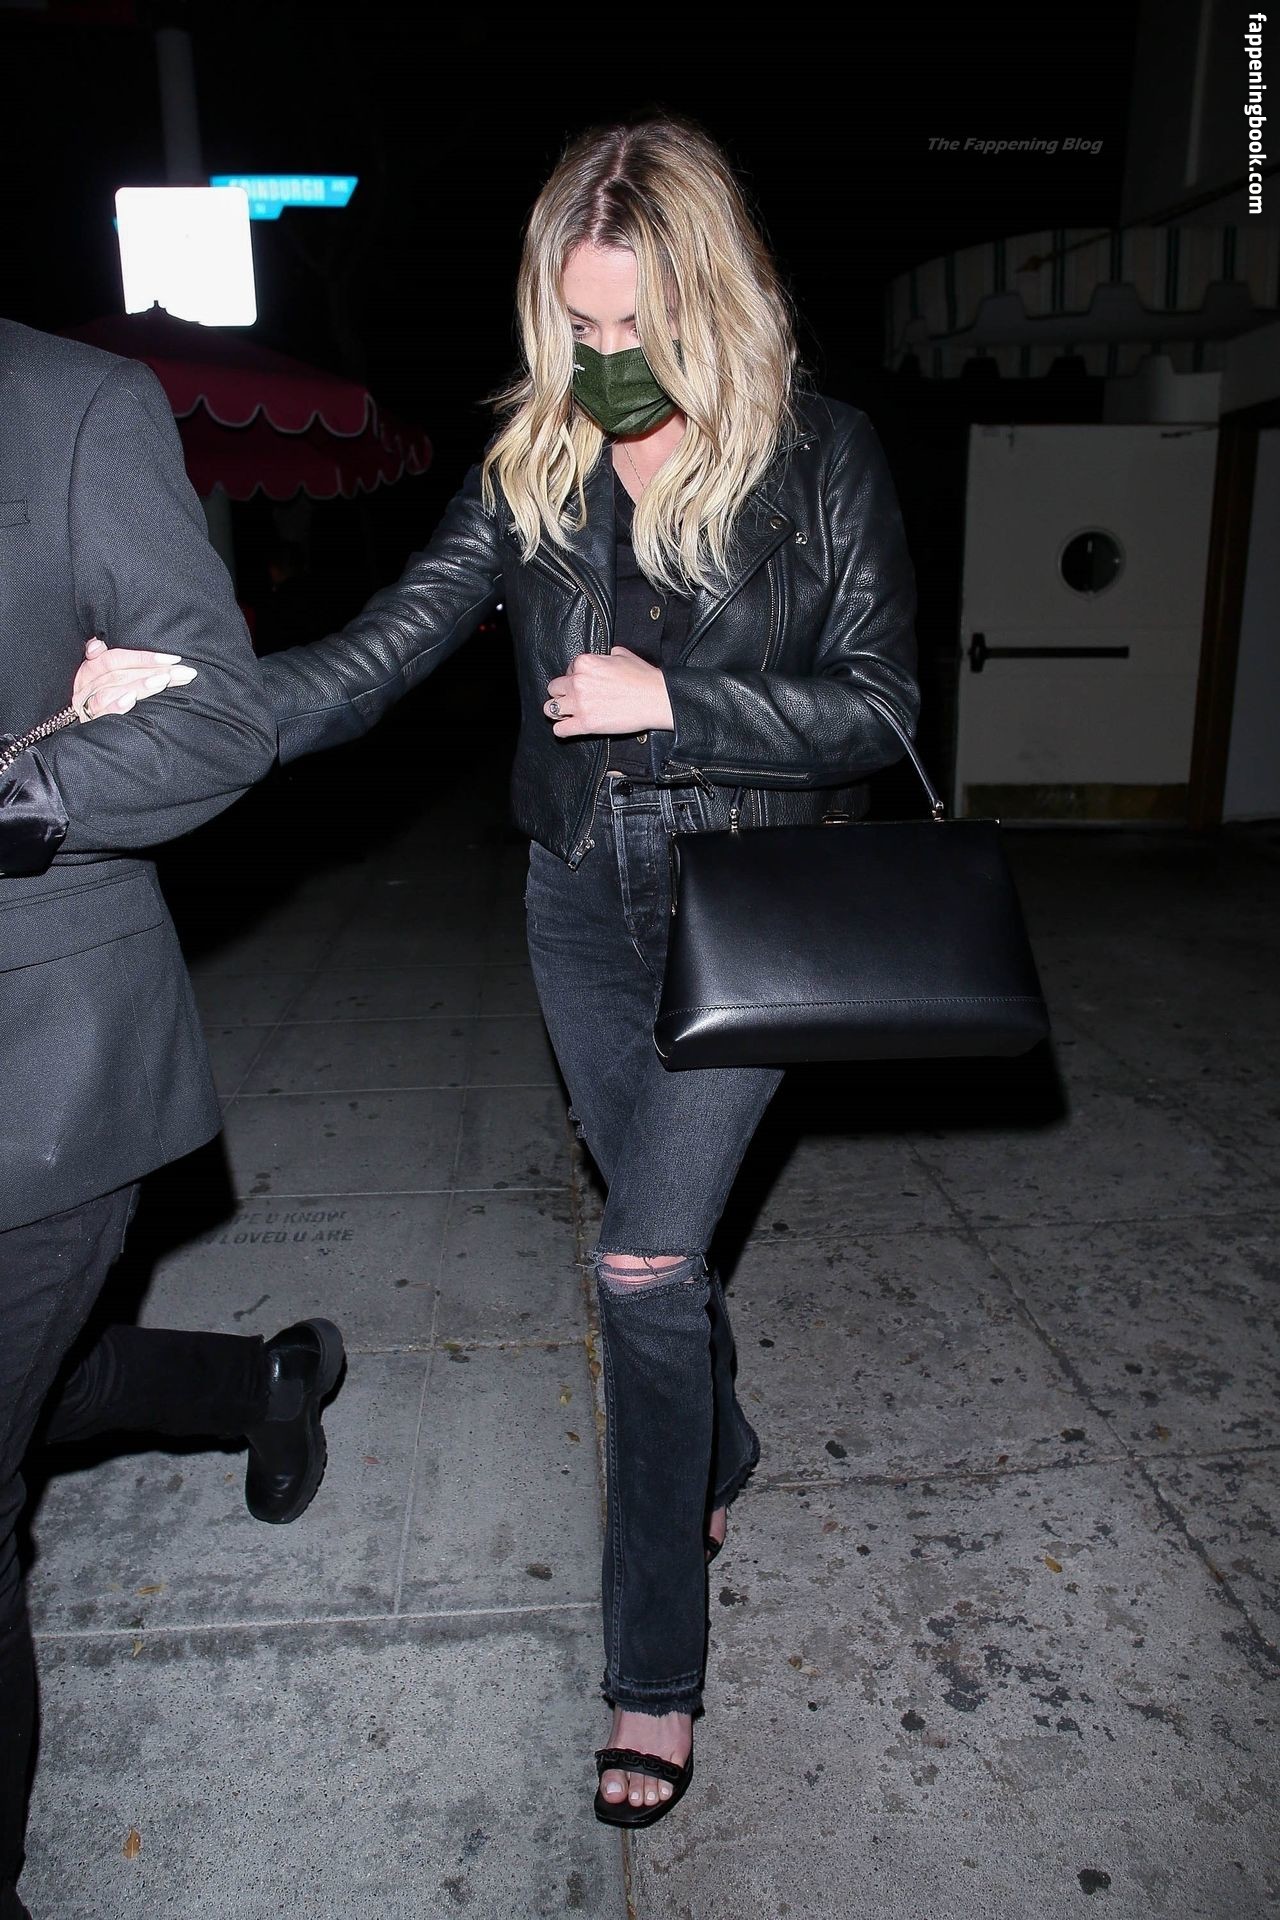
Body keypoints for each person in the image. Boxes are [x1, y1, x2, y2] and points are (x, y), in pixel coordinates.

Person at [84, 112, 920, 1826]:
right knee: (666, 1271)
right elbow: (379, 653)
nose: (608, 362)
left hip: (744, 912)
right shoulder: (536, 462)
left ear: (714, 302)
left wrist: (677, 701)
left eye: (639, 328)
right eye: (582, 325)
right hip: (577, 906)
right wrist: (199, 700)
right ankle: (713, 1442)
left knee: (636, 1264)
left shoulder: (822, 457)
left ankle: (654, 1676)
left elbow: (883, 708)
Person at [0, 318, 347, 1920]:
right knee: (45, 1382)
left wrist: (30, 779)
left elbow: (217, 719)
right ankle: (265, 1385)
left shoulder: (65, 406)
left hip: (28, 1062)